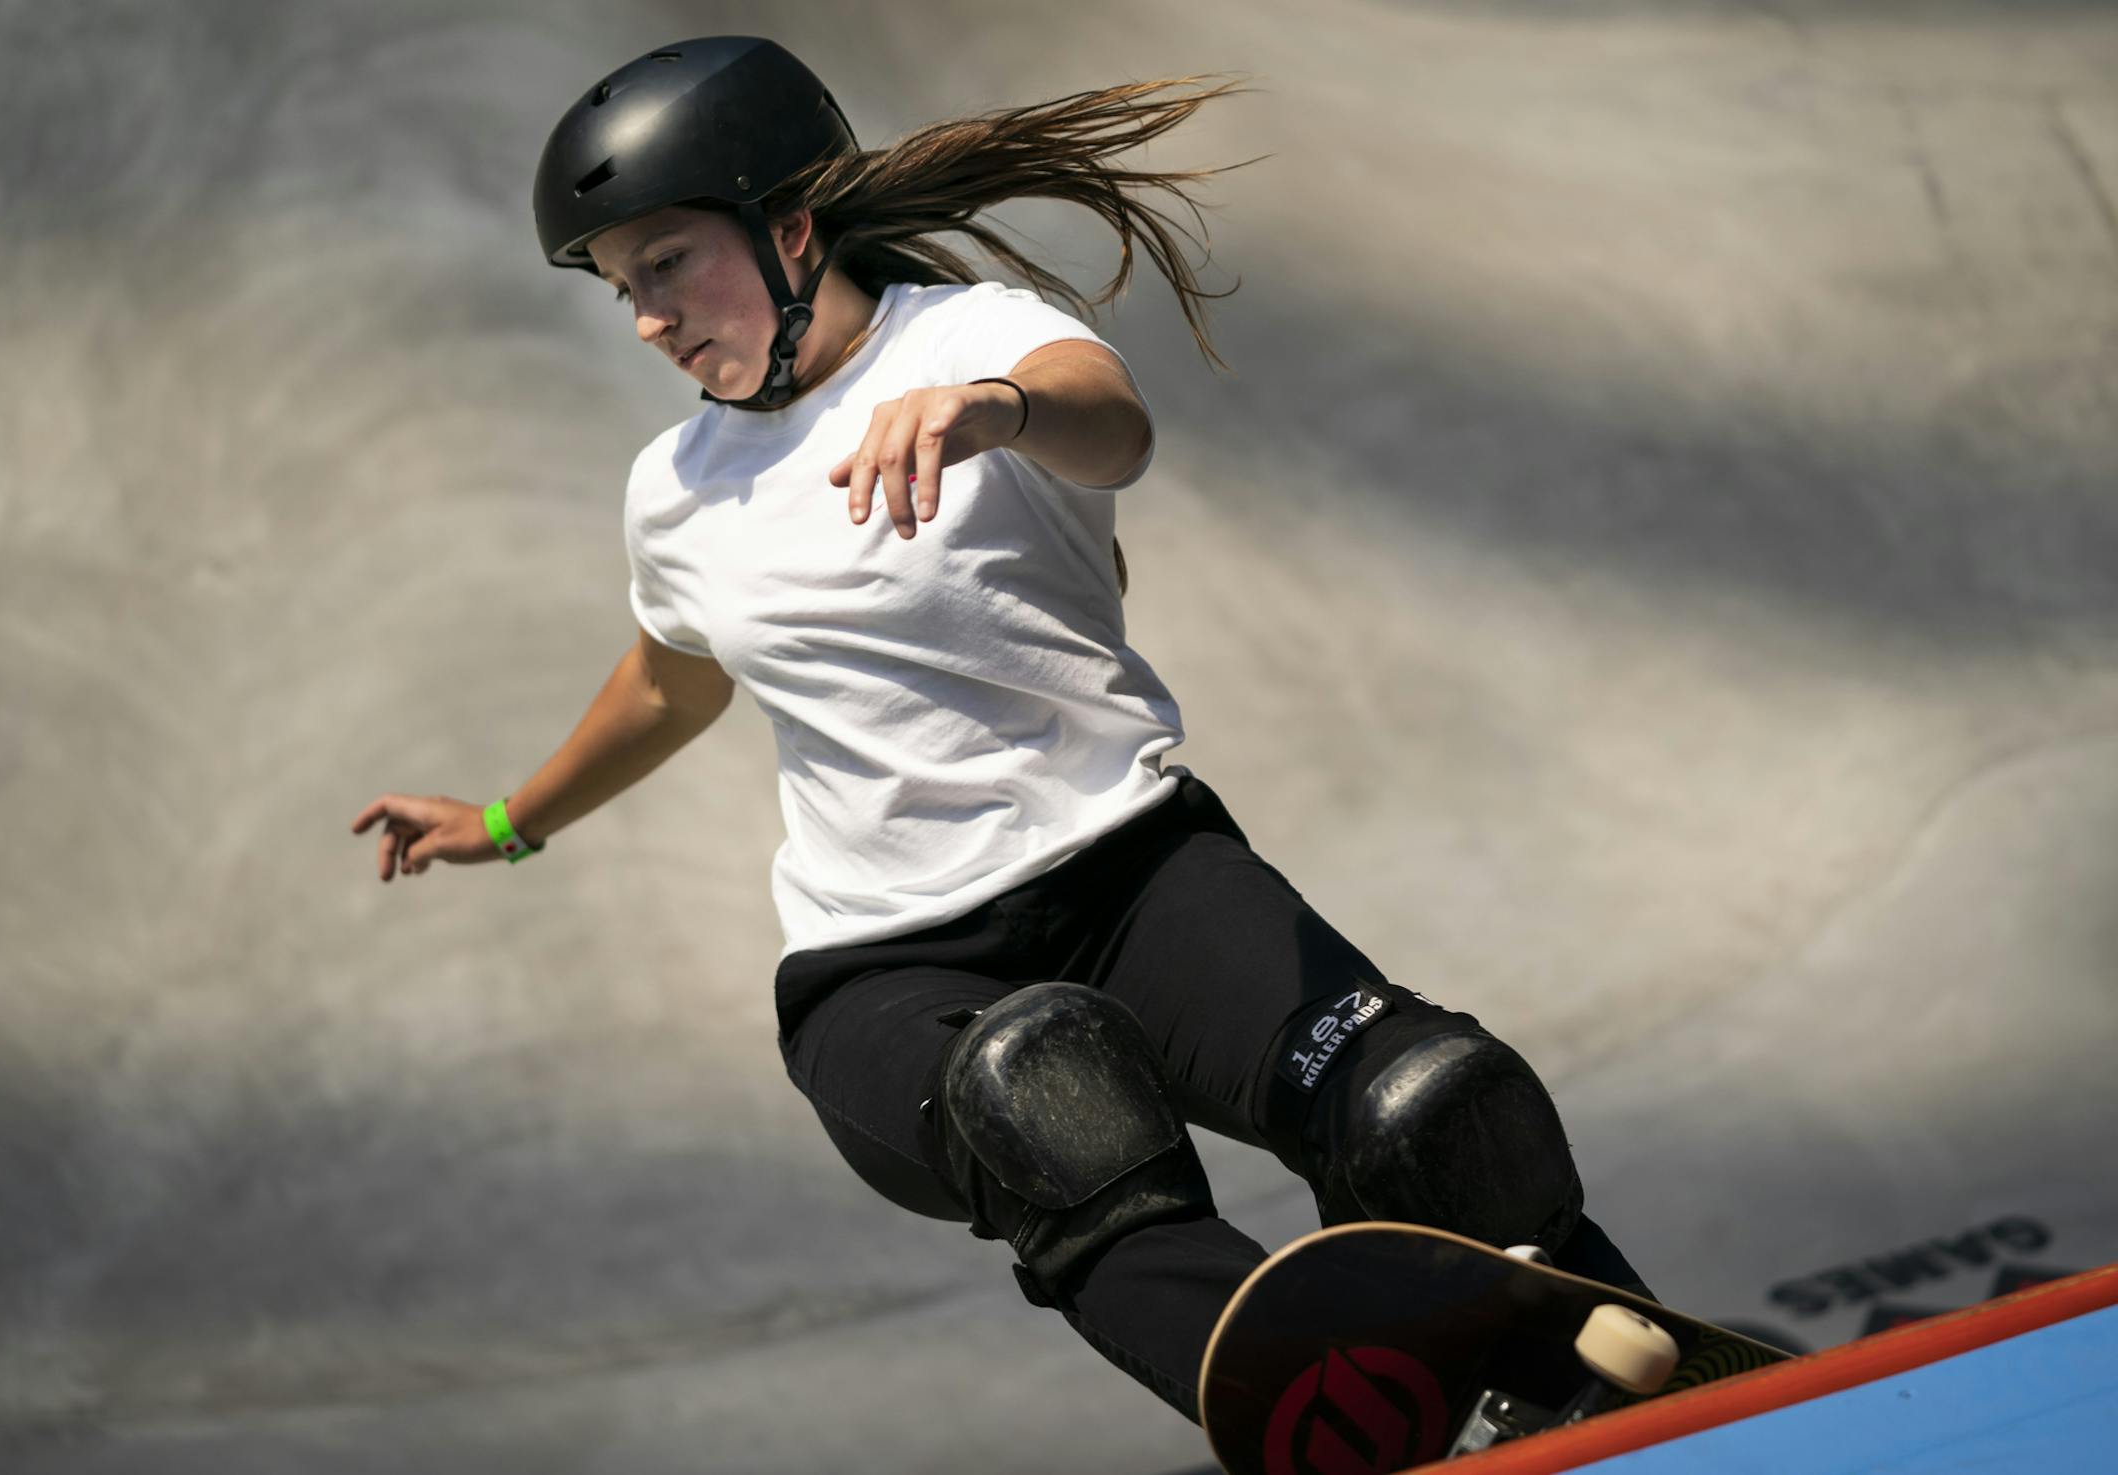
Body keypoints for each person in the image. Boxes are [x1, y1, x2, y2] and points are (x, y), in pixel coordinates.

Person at [349, 35, 1653, 1426]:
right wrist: (504, 822)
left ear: (789, 228)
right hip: (884, 970)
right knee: (1054, 1115)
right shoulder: (676, 488)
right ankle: (1344, 1419)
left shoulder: (966, 340)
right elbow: (673, 679)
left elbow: (1114, 431)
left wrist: (997, 413)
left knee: (1427, 1110)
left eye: (668, 264)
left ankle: (1604, 1386)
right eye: (622, 291)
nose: (649, 321)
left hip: (1137, 875)